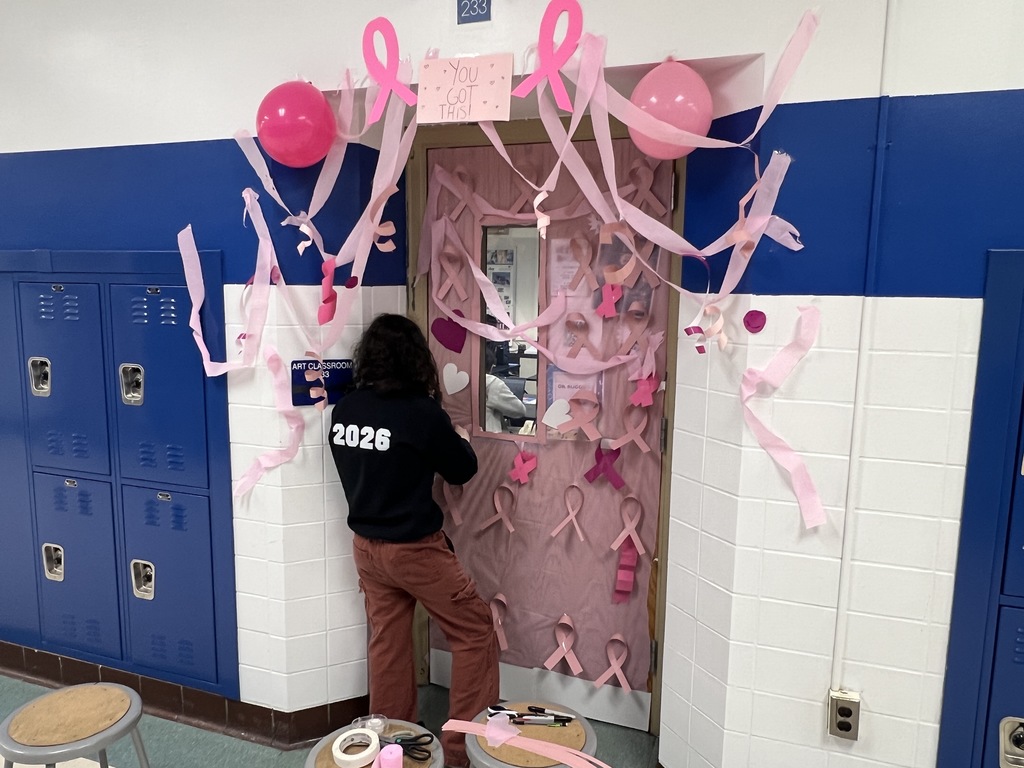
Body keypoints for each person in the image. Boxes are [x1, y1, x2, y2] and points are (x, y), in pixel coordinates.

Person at [328, 314, 499, 768]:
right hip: (415, 550)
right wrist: (456, 436)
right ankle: (463, 752)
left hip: (366, 548)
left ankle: (391, 747)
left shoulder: (345, 410)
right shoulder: (420, 414)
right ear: (415, 361)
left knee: (388, 642)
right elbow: (462, 469)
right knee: (475, 630)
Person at [484, 342, 527, 433]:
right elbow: (520, 410)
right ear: (492, 368)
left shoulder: (458, 381)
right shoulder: (492, 383)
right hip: (487, 441)